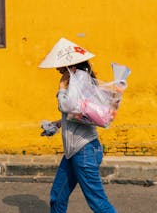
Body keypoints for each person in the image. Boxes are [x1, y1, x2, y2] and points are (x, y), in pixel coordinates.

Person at [39, 38, 117, 213]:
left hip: (83, 151)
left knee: (98, 202)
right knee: (57, 197)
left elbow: (68, 106)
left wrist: (62, 87)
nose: (56, 68)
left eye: (59, 64)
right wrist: (59, 123)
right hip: (74, 151)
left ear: (70, 64)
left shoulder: (78, 79)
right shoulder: (78, 78)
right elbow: (79, 112)